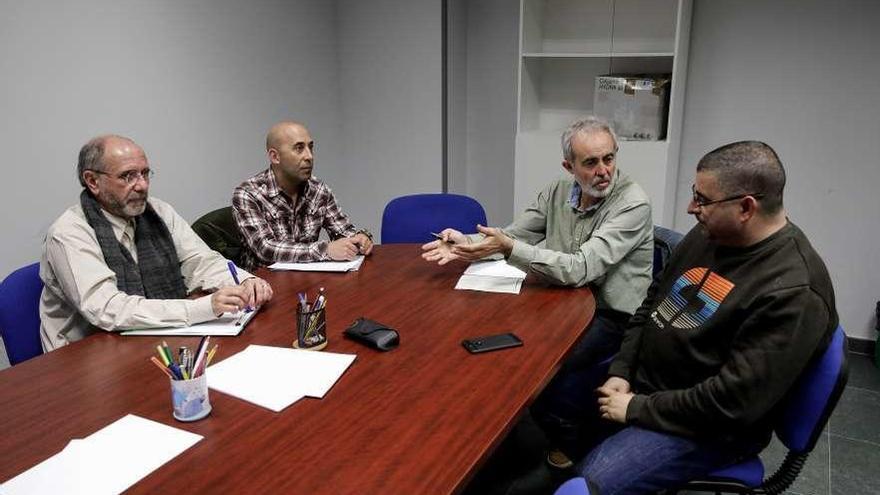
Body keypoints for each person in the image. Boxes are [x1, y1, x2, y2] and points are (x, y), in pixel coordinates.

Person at [568, 141, 838, 494]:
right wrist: (622, 370)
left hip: (710, 426)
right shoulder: (709, 233)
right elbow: (652, 305)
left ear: (745, 207)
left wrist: (636, 408)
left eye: (703, 200)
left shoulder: (794, 292)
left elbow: (731, 405)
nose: (691, 207)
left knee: (592, 483)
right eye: (695, 194)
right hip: (651, 391)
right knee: (556, 399)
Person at [422, 116, 654, 467]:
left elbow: (580, 268)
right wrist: (466, 241)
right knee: (496, 342)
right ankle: (499, 429)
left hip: (611, 313)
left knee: (541, 364)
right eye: (591, 162)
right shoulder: (557, 191)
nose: (604, 170)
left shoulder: (632, 202)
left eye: (609, 158)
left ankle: (572, 443)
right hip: (561, 298)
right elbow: (516, 234)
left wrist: (508, 246)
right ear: (569, 166)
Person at [40, 135, 274, 351]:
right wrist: (202, 307)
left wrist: (245, 281)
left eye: (144, 173)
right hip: (84, 357)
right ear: (92, 181)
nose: (142, 185)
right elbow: (108, 309)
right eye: (127, 176)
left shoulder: (159, 212)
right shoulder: (69, 233)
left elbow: (200, 261)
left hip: (153, 340)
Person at [232, 121, 373, 269]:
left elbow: (343, 231)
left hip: (309, 280)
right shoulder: (248, 194)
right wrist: (326, 250)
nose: (309, 156)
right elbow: (265, 249)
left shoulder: (319, 190)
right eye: (299, 148)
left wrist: (359, 239)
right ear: (275, 157)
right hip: (266, 283)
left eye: (310, 147)